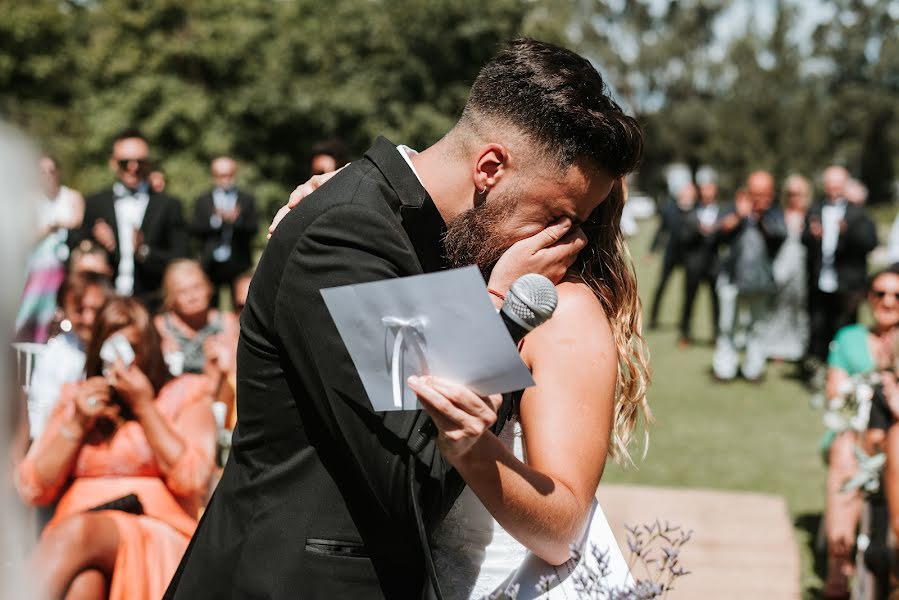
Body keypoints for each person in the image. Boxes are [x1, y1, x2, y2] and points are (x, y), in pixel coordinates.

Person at [166, 39, 647, 600]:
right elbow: (418, 476)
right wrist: (500, 306)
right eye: (556, 216)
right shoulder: (351, 235)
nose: (561, 242)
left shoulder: (435, 233)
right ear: (489, 167)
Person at [16, 297, 216, 600]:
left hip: (154, 530)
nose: (123, 363)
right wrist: (77, 423)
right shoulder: (76, 398)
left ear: (149, 347)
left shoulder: (182, 392)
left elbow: (194, 481)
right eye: (112, 351)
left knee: (77, 532)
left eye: (133, 349)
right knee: (85, 583)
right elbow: (33, 488)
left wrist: (145, 407)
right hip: (75, 541)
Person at [820, 266, 899, 598]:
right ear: (869, 297)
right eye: (880, 293)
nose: (888, 302)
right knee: (844, 452)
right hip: (856, 432)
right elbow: (834, 393)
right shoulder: (850, 338)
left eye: (897, 295)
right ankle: (839, 567)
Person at [71, 129, 189, 311]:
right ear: (113, 163)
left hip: (152, 303)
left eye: (140, 162)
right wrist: (96, 246)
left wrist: (144, 252)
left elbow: (181, 257)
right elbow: (78, 245)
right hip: (105, 301)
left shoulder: (168, 205)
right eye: (125, 162)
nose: (133, 167)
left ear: (148, 164)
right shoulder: (96, 203)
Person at [712, 172, 787, 382]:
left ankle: (754, 369)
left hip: (762, 281)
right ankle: (724, 368)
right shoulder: (733, 209)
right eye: (755, 193)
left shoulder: (774, 214)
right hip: (731, 278)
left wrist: (759, 217)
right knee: (727, 325)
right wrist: (739, 215)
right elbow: (717, 235)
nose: (760, 198)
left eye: (764, 193)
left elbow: (779, 236)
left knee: (757, 327)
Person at [803, 166, 877, 370]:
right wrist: (812, 235)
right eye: (829, 184)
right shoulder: (815, 208)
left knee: (844, 327)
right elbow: (803, 239)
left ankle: (843, 369)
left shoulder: (858, 212)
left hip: (847, 283)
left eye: (837, 185)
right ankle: (816, 367)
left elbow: (870, 243)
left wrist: (847, 232)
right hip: (819, 280)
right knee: (818, 326)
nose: (833, 189)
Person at [27, 272, 110, 441]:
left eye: (96, 310)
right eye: (79, 311)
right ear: (64, 310)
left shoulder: (118, 346)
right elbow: (41, 410)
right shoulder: (56, 353)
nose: (89, 319)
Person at [15, 155, 84, 343]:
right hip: (38, 268)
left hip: (67, 265)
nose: (47, 176)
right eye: (42, 172)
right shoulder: (30, 200)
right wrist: (50, 228)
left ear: (58, 173)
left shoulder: (71, 196)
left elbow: (78, 224)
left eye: (51, 171)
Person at [154, 260, 238, 391]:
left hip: (221, 395)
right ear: (171, 297)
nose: (192, 297)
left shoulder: (226, 322)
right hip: (178, 399)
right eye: (182, 291)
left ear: (208, 288)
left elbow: (236, 374)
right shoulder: (161, 327)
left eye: (197, 287)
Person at [191, 157, 258, 306]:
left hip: (238, 261)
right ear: (214, 176)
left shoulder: (246, 199)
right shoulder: (203, 200)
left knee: (241, 305)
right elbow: (195, 230)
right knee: (209, 304)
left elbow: (254, 228)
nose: (225, 179)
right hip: (211, 263)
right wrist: (216, 220)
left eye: (229, 174)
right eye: (220, 175)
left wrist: (237, 221)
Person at [762, 175, 811, 362]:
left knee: (799, 308)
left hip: (803, 269)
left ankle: (798, 347)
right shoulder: (777, 215)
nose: (794, 198)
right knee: (777, 307)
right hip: (781, 266)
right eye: (790, 194)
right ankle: (774, 347)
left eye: (798, 194)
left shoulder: (812, 214)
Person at [678, 168, 721, 346]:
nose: (707, 195)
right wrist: (698, 230)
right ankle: (685, 334)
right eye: (704, 192)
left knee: (716, 301)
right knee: (689, 299)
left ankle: (717, 334)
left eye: (710, 192)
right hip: (694, 263)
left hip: (714, 264)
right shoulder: (690, 213)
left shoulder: (723, 213)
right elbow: (683, 237)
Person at [647, 182, 695, 330]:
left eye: (690, 193)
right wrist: (652, 251)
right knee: (662, 285)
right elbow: (662, 231)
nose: (687, 196)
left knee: (688, 289)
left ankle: (684, 322)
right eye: (685, 193)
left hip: (689, 255)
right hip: (671, 253)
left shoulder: (696, 209)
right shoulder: (670, 210)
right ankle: (653, 319)